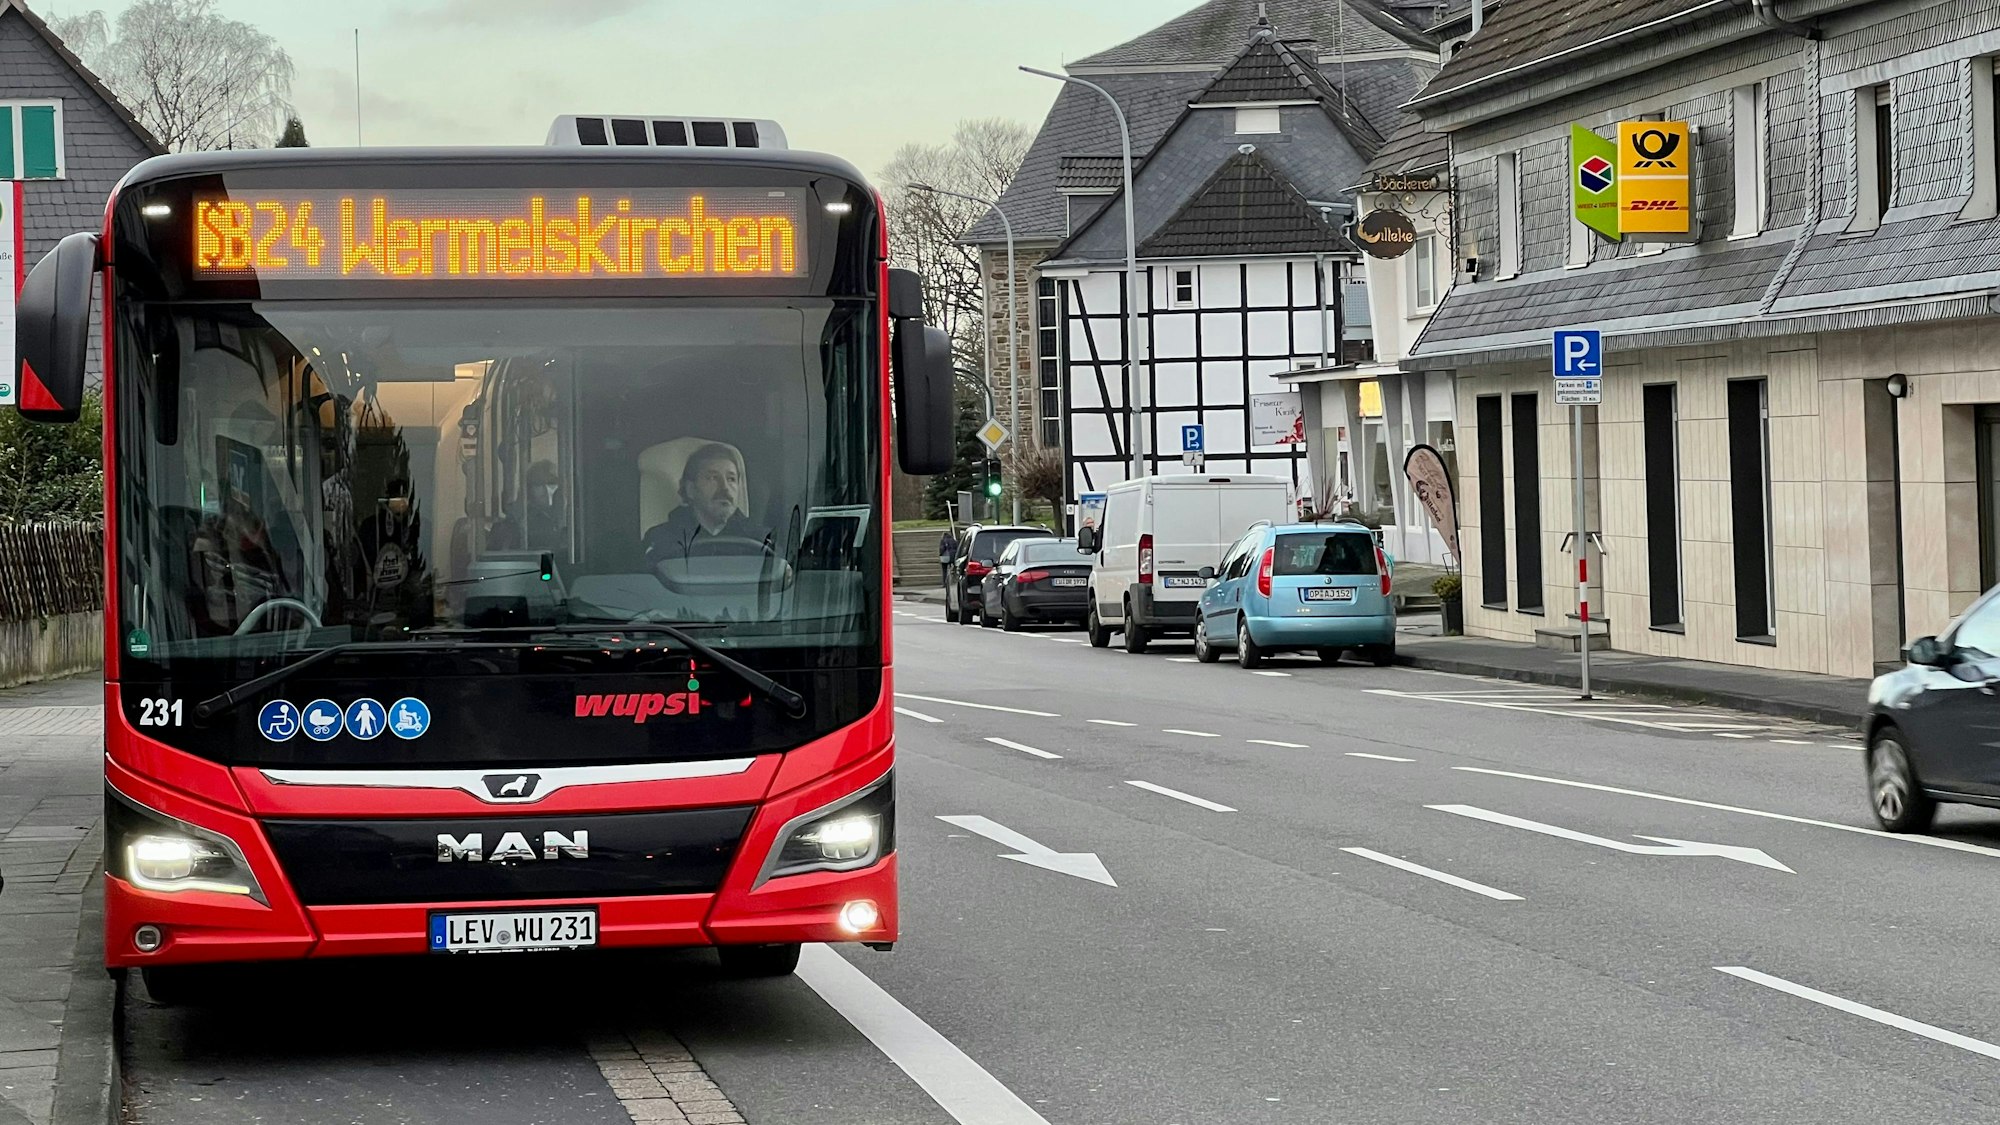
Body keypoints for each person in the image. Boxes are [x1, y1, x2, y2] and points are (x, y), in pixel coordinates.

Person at [642, 442, 767, 564]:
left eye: (731, 479)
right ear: (691, 489)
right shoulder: (661, 540)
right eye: (713, 478)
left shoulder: (760, 540)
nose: (725, 487)